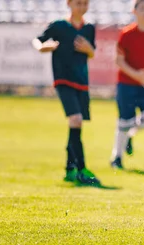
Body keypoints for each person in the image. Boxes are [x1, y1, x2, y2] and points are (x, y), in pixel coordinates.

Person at [32, 0, 100, 186]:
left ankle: (70, 169)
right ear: (69, 4)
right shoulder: (59, 26)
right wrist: (42, 47)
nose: (82, 6)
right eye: (78, 3)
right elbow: (38, 40)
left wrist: (89, 49)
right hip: (63, 80)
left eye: (85, 3)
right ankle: (82, 168)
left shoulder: (89, 28)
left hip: (82, 83)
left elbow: (92, 52)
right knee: (75, 120)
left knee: (76, 125)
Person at [110, 0, 144, 169]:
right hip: (126, 84)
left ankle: (131, 135)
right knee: (124, 121)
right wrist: (136, 75)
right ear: (134, 11)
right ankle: (116, 157)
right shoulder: (126, 34)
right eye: (142, 8)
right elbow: (119, 61)